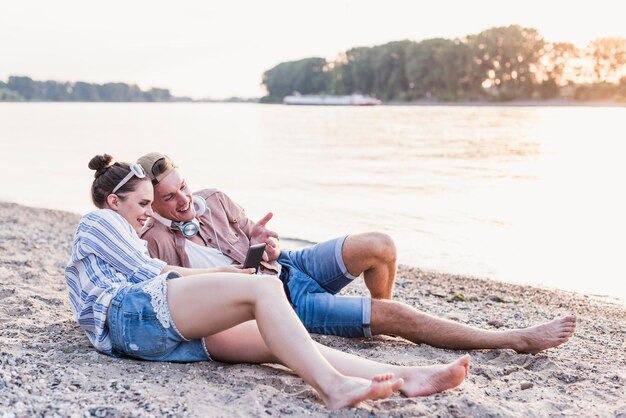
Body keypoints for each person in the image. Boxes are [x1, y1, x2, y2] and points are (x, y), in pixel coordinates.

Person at [65, 154, 471, 410]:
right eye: (143, 205)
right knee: (264, 288)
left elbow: (149, 278)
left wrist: (239, 262)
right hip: (134, 315)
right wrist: (222, 275)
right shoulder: (100, 220)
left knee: (276, 344)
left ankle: (403, 376)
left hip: (142, 332)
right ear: (114, 202)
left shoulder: (143, 224)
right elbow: (153, 274)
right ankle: (332, 387)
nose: (147, 215)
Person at [138, 152, 577, 354]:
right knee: (398, 316)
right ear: (152, 205)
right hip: (282, 303)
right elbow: (177, 299)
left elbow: (253, 229)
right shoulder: (155, 242)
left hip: (290, 263)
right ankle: (513, 340)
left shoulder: (213, 198)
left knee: (380, 245)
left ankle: (378, 316)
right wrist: (235, 278)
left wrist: (266, 242)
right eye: (170, 198)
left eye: (183, 187)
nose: (184, 201)